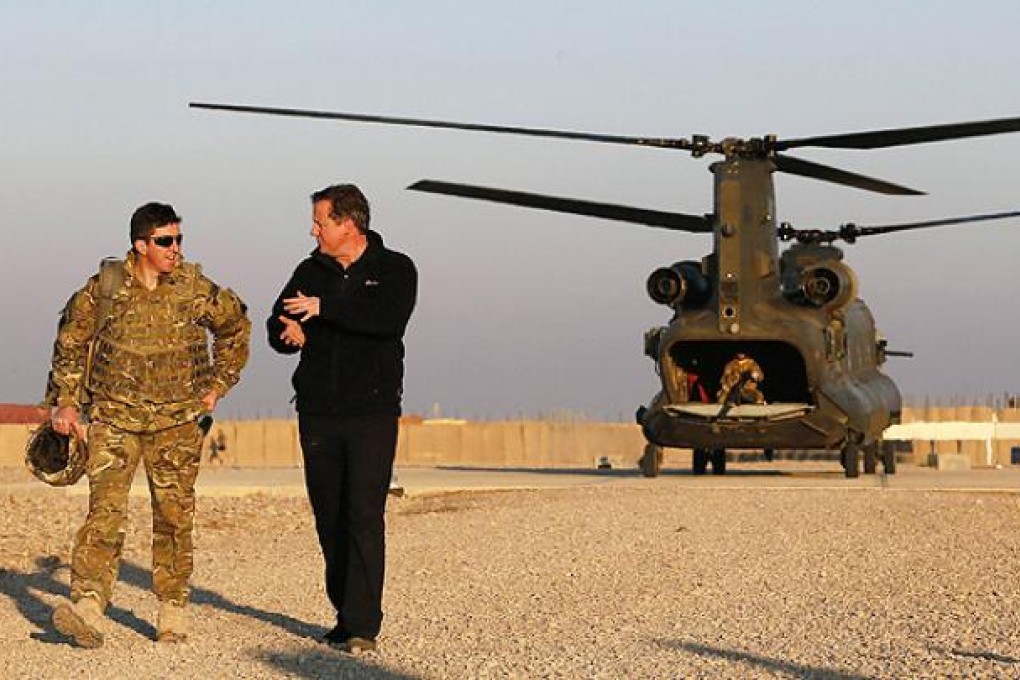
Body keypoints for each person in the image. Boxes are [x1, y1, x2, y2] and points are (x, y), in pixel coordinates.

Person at [45, 202, 251, 648]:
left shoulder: (195, 289)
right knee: (104, 514)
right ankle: (89, 605)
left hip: (176, 423)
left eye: (178, 239)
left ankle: (172, 607)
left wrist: (217, 384)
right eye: (164, 241)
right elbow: (70, 340)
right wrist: (64, 403)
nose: (174, 249)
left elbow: (236, 329)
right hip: (114, 418)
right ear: (140, 245)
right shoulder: (106, 288)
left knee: (175, 516)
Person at [267, 183, 417, 654]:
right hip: (317, 411)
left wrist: (324, 309)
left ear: (347, 224)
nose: (313, 230)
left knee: (364, 514)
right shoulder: (309, 271)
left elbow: (386, 321)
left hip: (371, 412)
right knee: (329, 515)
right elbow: (278, 319)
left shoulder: (395, 269)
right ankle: (344, 613)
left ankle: (363, 625)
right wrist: (287, 333)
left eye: (320, 222)